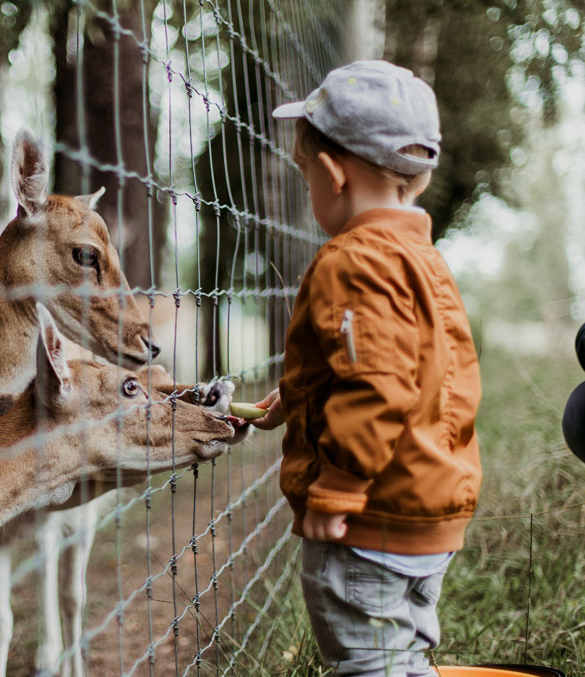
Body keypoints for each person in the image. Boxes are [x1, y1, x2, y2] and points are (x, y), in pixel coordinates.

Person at [247, 61, 482, 676]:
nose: (309, 192)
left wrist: (340, 485)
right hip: (426, 513)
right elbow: (418, 372)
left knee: (368, 666)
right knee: (404, 659)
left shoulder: (352, 262)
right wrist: (298, 395)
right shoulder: (424, 261)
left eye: (305, 177)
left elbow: (378, 384)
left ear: (331, 174)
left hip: (367, 520)